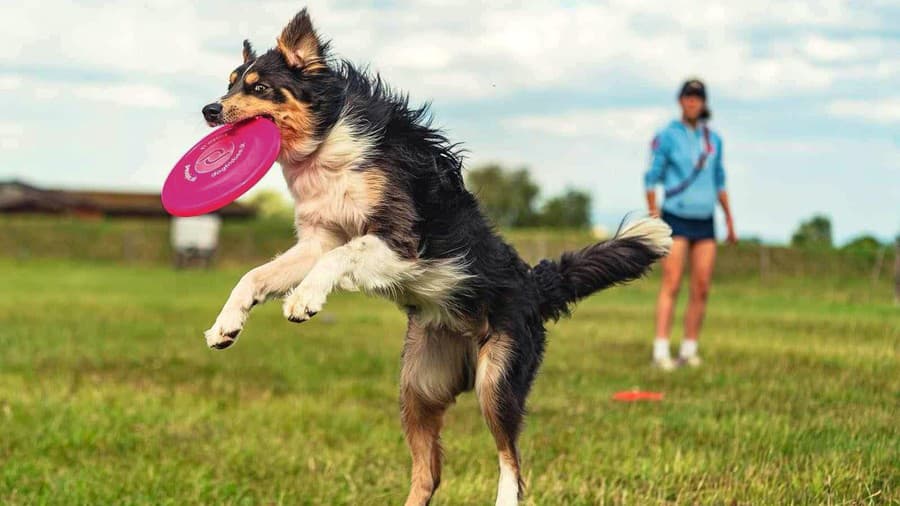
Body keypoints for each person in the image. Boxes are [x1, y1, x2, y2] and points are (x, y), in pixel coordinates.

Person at [644, 78, 736, 370]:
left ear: (704, 102)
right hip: (676, 217)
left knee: (701, 286)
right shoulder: (668, 136)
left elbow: (719, 180)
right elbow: (651, 177)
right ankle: (661, 349)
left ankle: (689, 348)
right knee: (671, 282)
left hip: (705, 220)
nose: (693, 101)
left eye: (698, 97)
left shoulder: (714, 140)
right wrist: (653, 212)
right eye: (688, 96)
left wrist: (729, 219)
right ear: (681, 101)